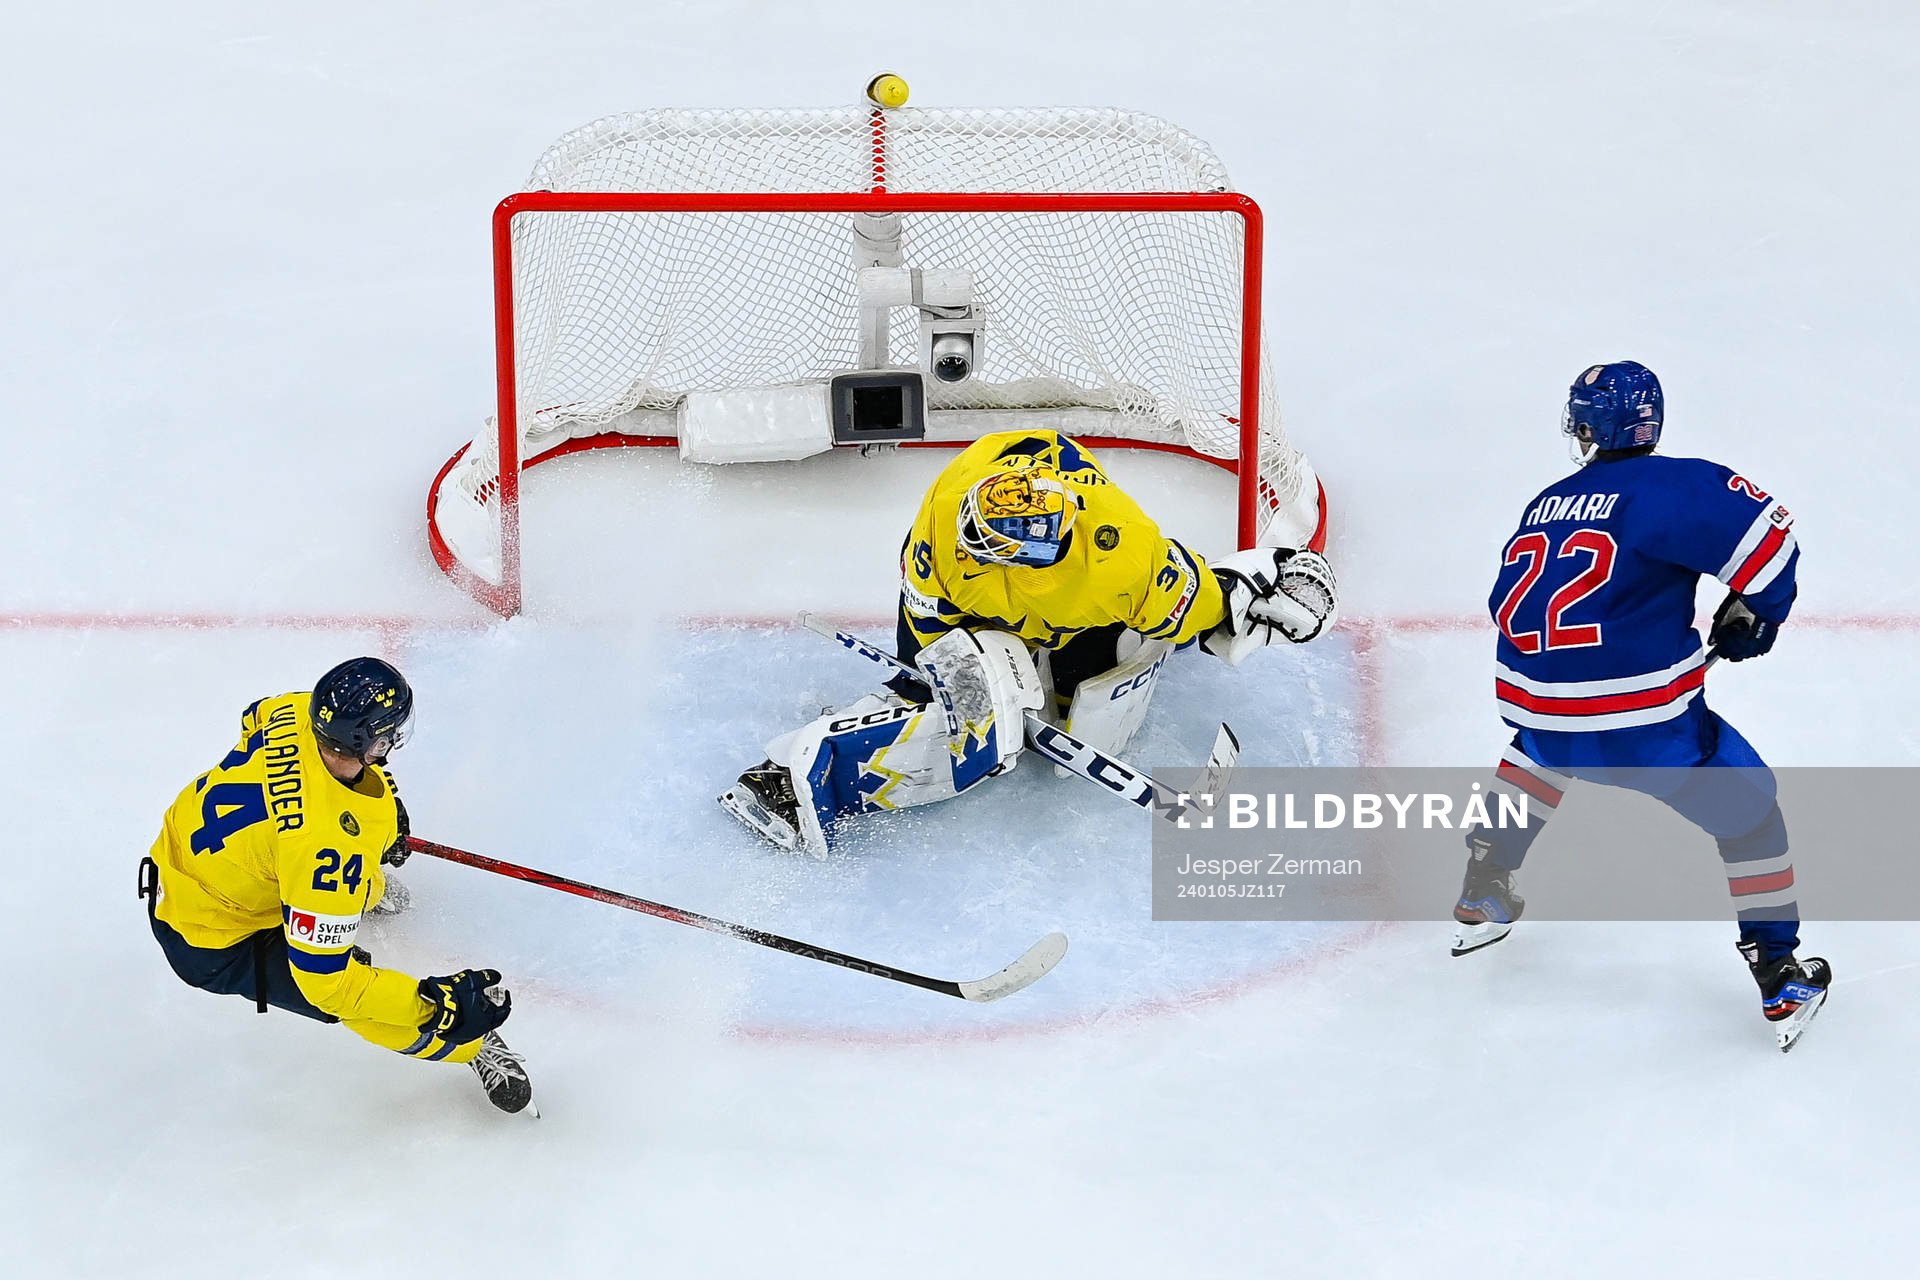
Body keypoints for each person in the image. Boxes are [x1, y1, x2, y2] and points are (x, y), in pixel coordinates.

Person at [720, 428, 1339, 854]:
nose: (980, 553)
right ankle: (791, 777)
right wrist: (955, 684)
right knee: (935, 697)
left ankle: (1063, 670)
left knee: (1088, 682)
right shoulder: (941, 535)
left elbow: (1199, 604)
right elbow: (934, 631)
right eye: (978, 541)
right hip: (968, 594)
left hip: (1083, 602)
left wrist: (1259, 597)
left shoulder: (1123, 559)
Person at [1457, 361, 1828, 1048]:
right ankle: (1778, 967)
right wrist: (1757, 612)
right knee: (1752, 810)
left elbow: (1511, 608)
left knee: (1541, 747)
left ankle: (1485, 878)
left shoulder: (1545, 502)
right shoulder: (1674, 484)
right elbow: (1771, 556)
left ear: (1583, 425)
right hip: (1645, 730)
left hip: (1532, 710)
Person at [140, 657, 535, 1111]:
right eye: (390, 733)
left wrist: (378, 818)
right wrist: (435, 1006)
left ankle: (368, 890)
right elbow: (327, 984)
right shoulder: (324, 854)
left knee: (334, 884)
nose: (395, 741)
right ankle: (471, 1045)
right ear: (367, 740)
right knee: (354, 998)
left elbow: (255, 715)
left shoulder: (293, 713)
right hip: (210, 941)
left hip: (186, 863)